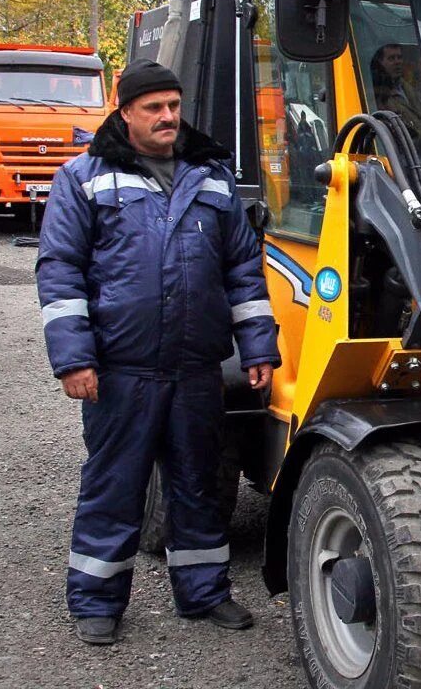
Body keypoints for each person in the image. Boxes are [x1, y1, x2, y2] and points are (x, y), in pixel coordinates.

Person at [36, 59, 280, 645]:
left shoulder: (212, 177)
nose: (169, 116)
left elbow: (244, 272)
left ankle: (203, 593)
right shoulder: (85, 177)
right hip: (122, 369)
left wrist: (257, 347)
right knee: (115, 484)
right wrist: (74, 359)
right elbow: (60, 271)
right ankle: (96, 600)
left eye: (174, 105)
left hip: (196, 368)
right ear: (125, 113)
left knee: (197, 484)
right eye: (154, 108)